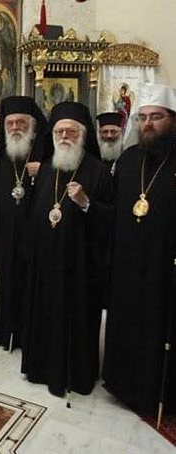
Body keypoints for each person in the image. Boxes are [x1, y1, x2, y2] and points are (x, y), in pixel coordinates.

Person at [20, 102, 113, 399]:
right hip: (46, 263)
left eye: (71, 132)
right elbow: (36, 213)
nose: (64, 137)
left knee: (76, 319)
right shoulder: (48, 169)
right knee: (44, 314)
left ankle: (76, 375)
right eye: (59, 132)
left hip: (80, 266)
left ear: (83, 135)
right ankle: (41, 369)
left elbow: (111, 221)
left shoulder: (98, 172)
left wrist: (86, 204)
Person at [103, 83, 176, 417]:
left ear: (172, 119)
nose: (148, 124)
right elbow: (115, 208)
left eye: (156, 117)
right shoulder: (129, 160)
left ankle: (160, 393)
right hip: (128, 265)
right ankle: (123, 385)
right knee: (127, 326)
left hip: (164, 267)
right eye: (143, 117)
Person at [0, 96, 48, 351]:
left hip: (35, 236)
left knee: (31, 285)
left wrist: (43, 172)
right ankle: (6, 333)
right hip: (6, 236)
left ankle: (27, 336)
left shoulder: (46, 153)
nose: (15, 128)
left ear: (32, 125)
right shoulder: (3, 155)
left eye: (21, 122)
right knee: (7, 284)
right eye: (10, 123)